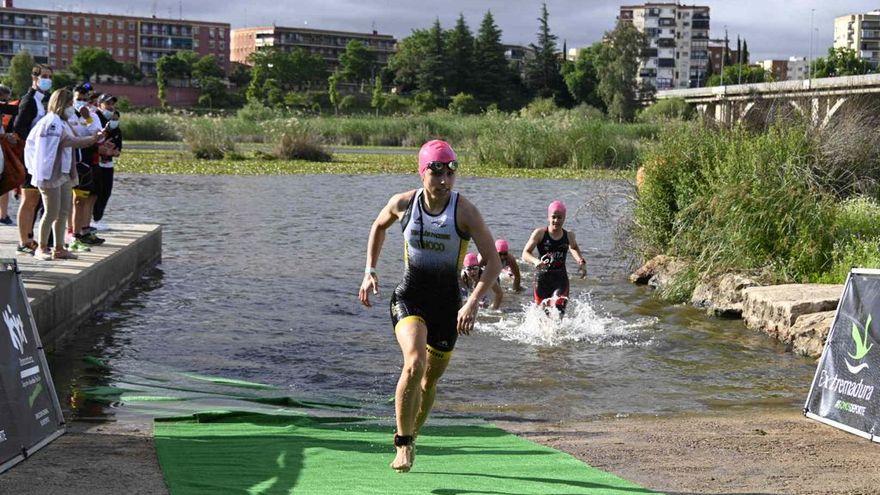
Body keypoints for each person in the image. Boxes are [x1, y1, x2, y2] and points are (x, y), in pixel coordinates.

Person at [358, 140, 500, 473]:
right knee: (415, 361)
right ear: (422, 172)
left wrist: (474, 303)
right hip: (410, 295)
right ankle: (403, 444)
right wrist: (370, 271)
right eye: (436, 173)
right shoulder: (403, 204)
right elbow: (378, 226)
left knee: (428, 382)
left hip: (449, 306)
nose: (444, 181)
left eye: (451, 173)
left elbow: (493, 262)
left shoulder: (464, 211)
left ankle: (411, 434)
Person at [24, 88, 103, 261]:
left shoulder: (63, 122)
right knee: (51, 212)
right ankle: (42, 247)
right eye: (69, 104)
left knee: (63, 212)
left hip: (65, 173)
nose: (71, 107)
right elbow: (68, 142)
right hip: (50, 175)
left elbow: (77, 137)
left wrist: (93, 136)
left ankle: (59, 248)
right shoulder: (51, 122)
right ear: (61, 104)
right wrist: (92, 140)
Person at [521, 200, 587, 316]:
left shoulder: (569, 235)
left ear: (564, 218)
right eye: (554, 217)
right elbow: (525, 253)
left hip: (560, 280)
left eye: (560, 217)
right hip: (542, 280)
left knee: (558, 310)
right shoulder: (540, 233)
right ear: (548, 217)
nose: (556, 220)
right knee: (543, 315)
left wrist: (580, 261)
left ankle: (557, 333)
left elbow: (574, 247)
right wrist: (536, 261)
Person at [13, 64, 53, 255]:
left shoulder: (41, 101)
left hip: (38, 158)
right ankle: (23, 241)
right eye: (44, 76)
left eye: (50, 76)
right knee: (28, 199)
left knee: (34, 198)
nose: (47, 79)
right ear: (34, 78)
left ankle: (29, 237)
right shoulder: (29, 101)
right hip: (29, 157)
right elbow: (19, 128)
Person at [92, 95, 121, 231]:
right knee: (94, 193)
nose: (110, 107)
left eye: (112, 104)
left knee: (106, 192)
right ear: (99, 104)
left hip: (108, 165)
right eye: (107, 104)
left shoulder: (114, 124)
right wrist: (103, 150)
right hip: (95, 164)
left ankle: (97, 220)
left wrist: (114, 151)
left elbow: (118, 147)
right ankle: (89, 221)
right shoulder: (95, 118)